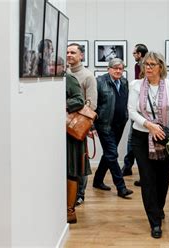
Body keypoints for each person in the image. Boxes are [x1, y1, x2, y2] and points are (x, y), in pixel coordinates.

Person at [128, 51, 169, 239]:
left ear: (160, 67)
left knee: (162, 179)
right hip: (141, 137)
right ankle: (154, 221)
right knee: (147, 180)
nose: (147, 67)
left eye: (152, 64)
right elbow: (132, 111)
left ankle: (158, 208)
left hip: (166, 138)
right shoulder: (136, 86)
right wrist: (150, 125)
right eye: (146, 64)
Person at [92, 58, 133, 199]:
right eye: (115, 68)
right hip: (104, 125)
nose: (118, 71)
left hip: (120, 124)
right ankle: (121, 187)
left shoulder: (124, 82)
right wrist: (92, 126)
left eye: (121, 68)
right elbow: (92, 105)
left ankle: (97, 181)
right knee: (112, 154)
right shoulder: (99, 82)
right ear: (108, 69)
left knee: (109, 154)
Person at [66, 43, 98, 206]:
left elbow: (91, 104)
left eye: (73, 52)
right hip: (65, 124)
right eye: (67, 52)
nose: (69, 55)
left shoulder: (87, 76)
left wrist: (88, 126)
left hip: (79, 123)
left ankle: (80, 193)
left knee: (81, 159)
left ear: (81, 56)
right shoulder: (63, 74)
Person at [122, 43, 148, 182]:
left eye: (134, 53)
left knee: (134, 139)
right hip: (138, 104)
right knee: (133, 138)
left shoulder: (142, 65)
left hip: (141, 106)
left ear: (140, 54)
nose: (133, 55)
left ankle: (129, 167)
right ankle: (128, 166)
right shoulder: (139, 65)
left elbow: (141, 84)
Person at [65, 74, 89, 224]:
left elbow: (80, 100)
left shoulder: (68, 78)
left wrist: (63, 103)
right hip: (57, 132)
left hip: (70, 133)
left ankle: (70, 211)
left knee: (71, 171)